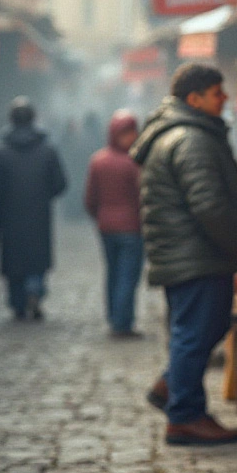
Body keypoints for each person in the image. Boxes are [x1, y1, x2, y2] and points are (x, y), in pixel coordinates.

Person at [131, 63, 237, 445]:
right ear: (194, 99)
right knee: (194, 334)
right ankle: (184, 416)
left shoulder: (187, 133)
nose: (225, 98)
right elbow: (209, 206)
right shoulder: (191, 138)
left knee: (202, 330)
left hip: (190, 255)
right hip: (196, 256)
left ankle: (174, 389)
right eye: (218, 92)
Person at [0, 97, 67, 321]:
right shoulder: (47, 150)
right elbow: (60, 183)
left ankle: (18, 303)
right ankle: (34, 291)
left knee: (14, 264)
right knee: (36, 260)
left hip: (10, 217)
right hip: (38, 215)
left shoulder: (1, 152)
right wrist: (43, 196)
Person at [84, 110, 144, 338]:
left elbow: (90, 198)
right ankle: (122, 322)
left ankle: (115, 317)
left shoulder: (98, 161)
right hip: (131, 228)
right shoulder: (134, 162)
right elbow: (141, 196)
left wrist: (99, 217)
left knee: (114, 273)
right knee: (127, 276)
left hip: (106, 227)